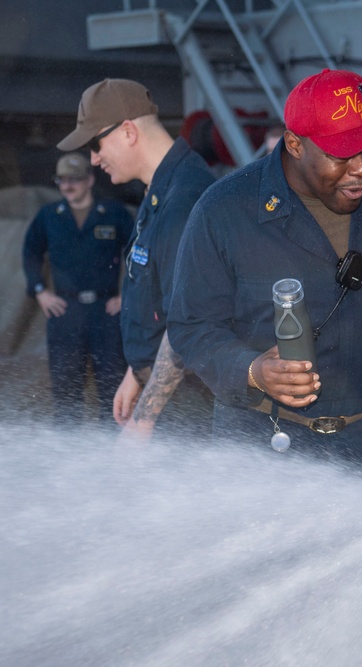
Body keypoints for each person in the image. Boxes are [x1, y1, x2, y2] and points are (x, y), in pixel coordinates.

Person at [167, 69, 362, 495]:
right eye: (340, 154)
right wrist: (251, 370)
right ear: (294, 144)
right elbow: (190, 326)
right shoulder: (225, 210)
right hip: (265, 448)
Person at [57, 78, 217, 439]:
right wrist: (136, 373)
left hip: (186, 398)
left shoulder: (184, 201)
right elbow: (155, 296)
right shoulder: (159, 188)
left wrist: (145, 418)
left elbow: (186, 322)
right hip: (164, 389)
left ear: (128, 131)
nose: (94, 159)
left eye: (96, 145)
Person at [21, 152, 133, 423]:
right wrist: (40, 290)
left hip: (105, 312)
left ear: (90, 180)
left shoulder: (114, 213)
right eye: (62, 180)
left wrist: (126, 295)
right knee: (66, 391)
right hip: (65, 312)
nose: (68, 186)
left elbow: (138, 254)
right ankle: (67, 457)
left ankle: (113, 453)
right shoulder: (49, 215)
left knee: (112, 387)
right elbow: (30, 253)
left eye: (75, 179)